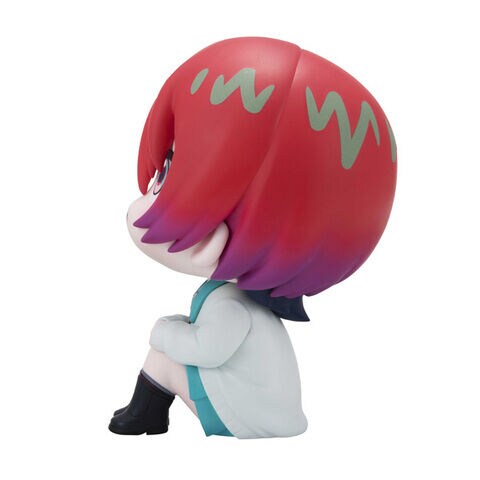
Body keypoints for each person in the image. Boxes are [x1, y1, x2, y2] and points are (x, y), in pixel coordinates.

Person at [108, 37, 397, 438]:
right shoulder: (233, 300)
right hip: (253, 405)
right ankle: (145, 415)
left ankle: (144, 416)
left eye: (170, 175)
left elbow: (207, 350)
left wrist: (165, 331)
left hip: (246, 415)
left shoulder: (232, 306)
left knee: (164, 357)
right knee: (167, 351)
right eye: (167, 171)